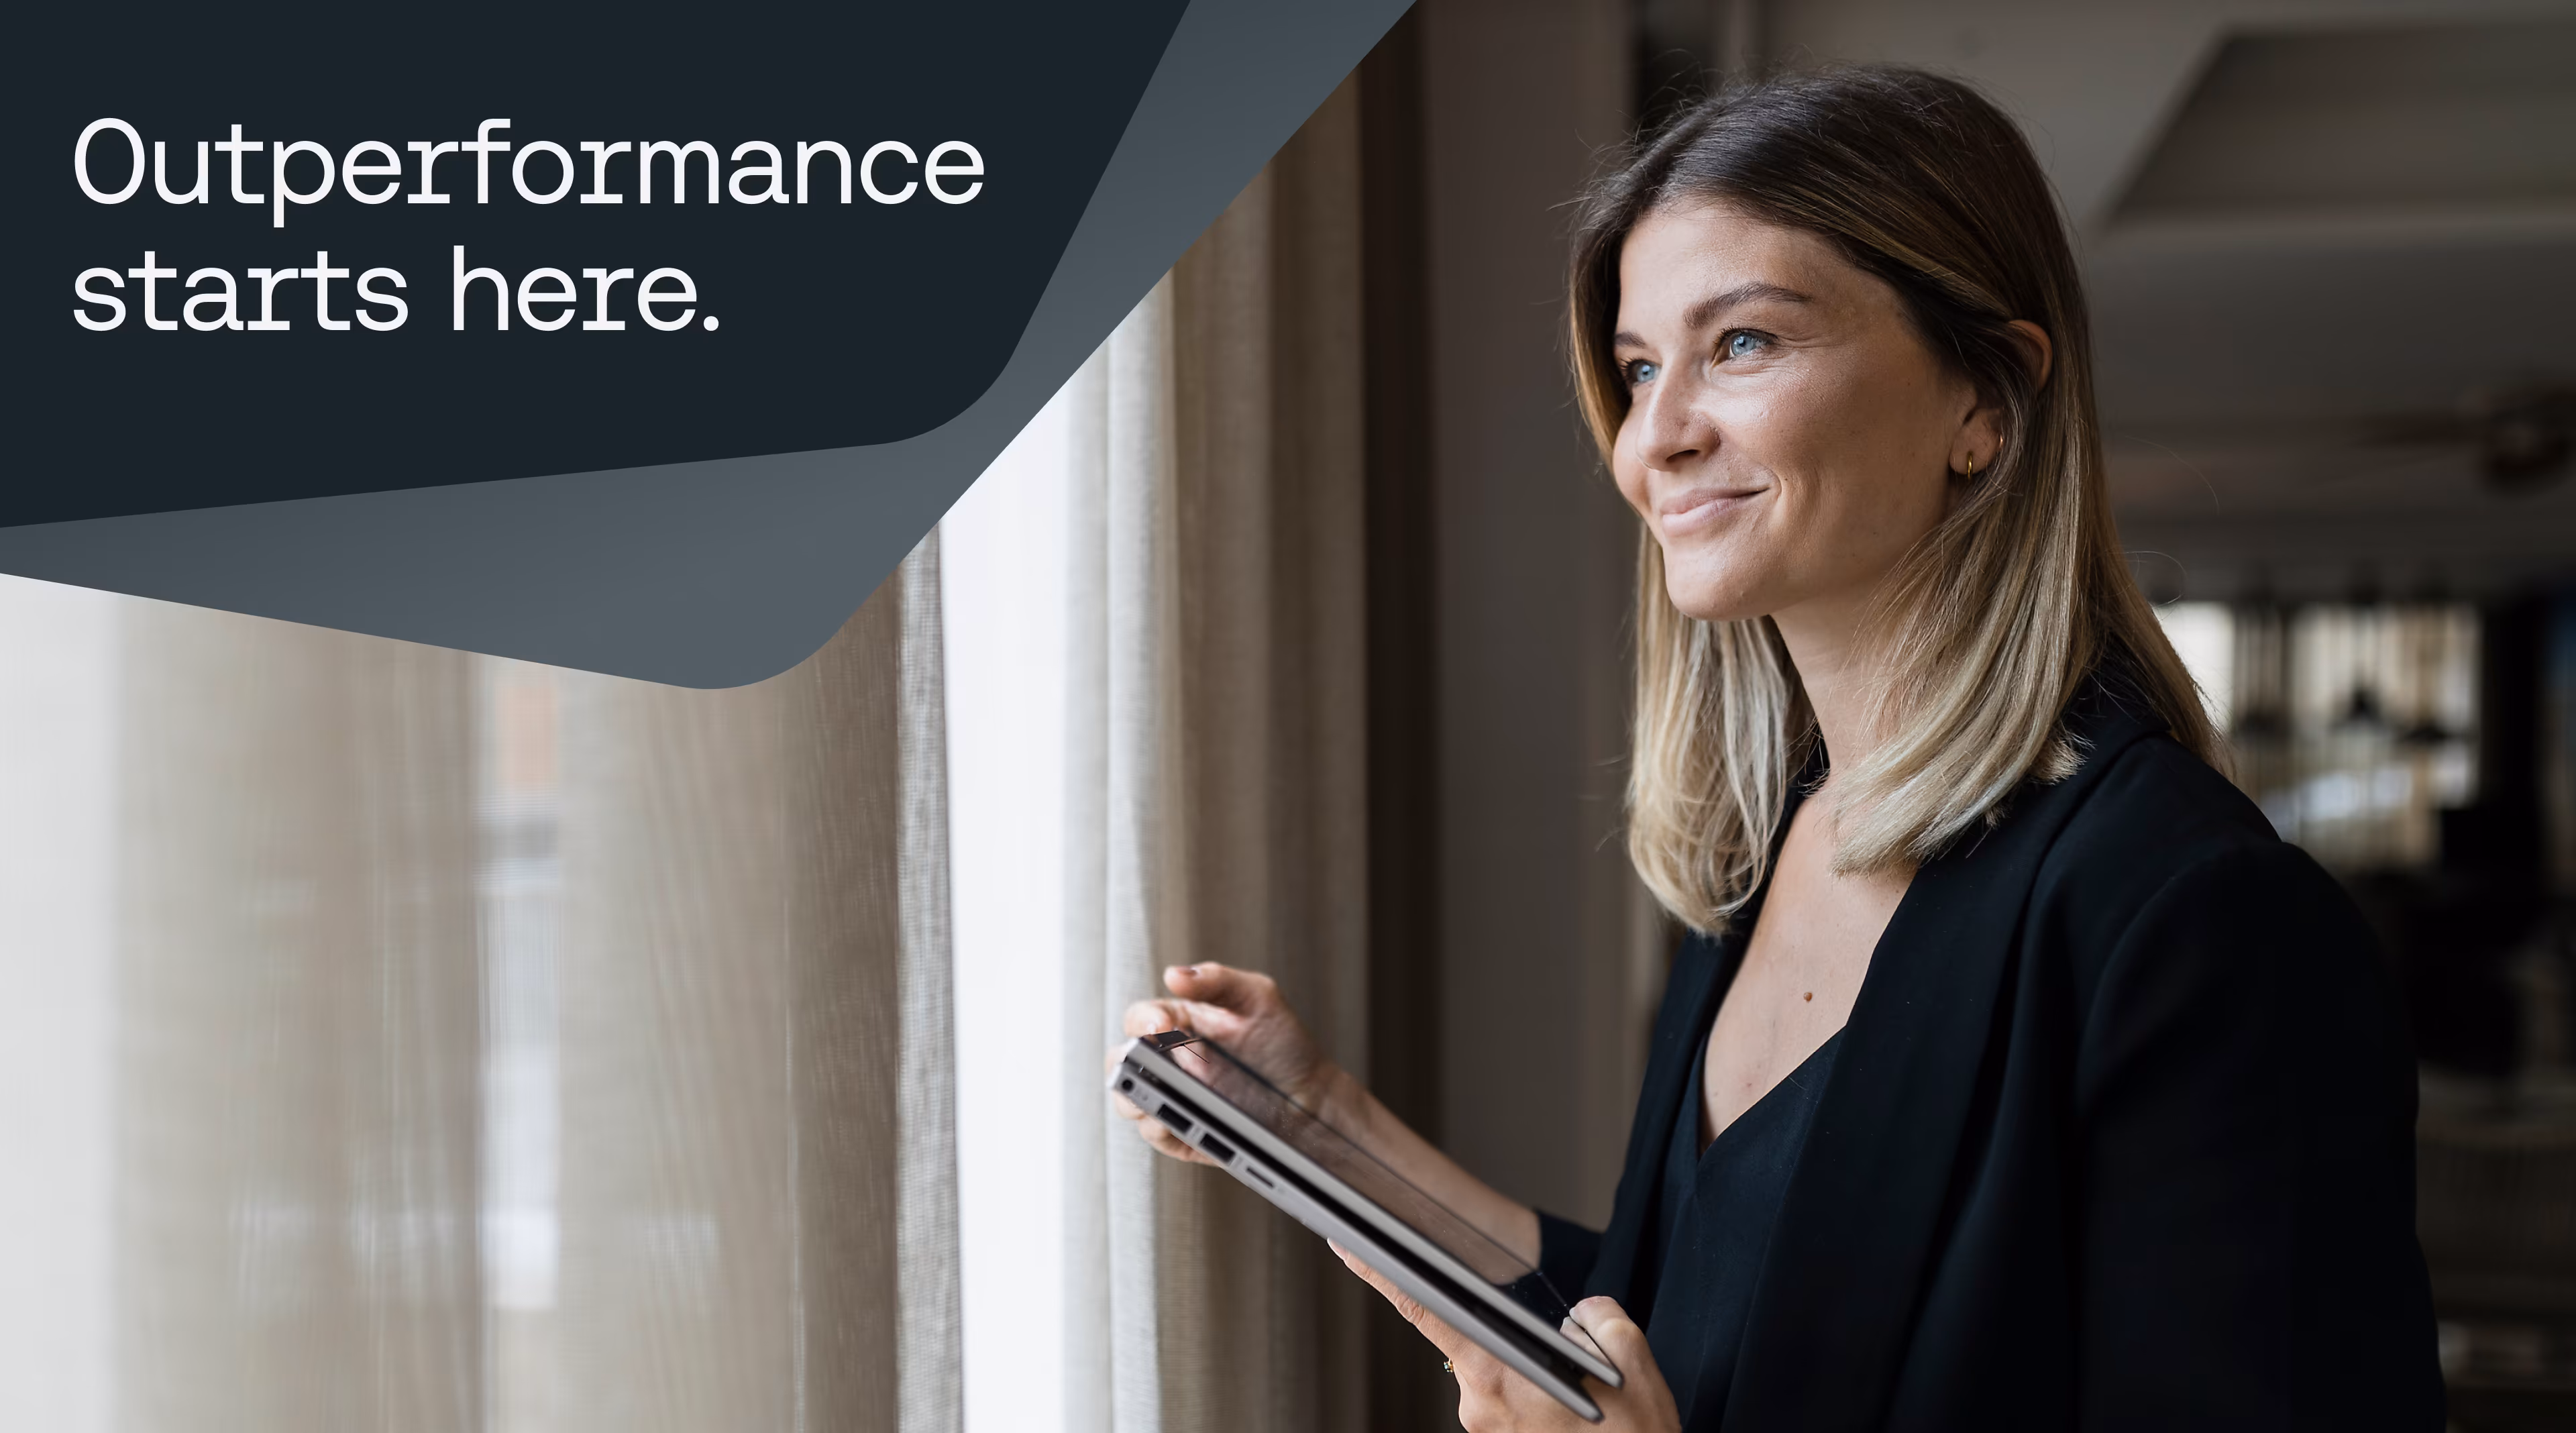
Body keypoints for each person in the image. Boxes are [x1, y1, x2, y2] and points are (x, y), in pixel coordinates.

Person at [1116, 66, 2441, 1431]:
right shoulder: (1767, 856)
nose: (1657, 438)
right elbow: (1681, 1316)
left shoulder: (2195, 923)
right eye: (1639, 369)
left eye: (1742, 343)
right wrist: (1318, 1124)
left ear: (1987, 398)